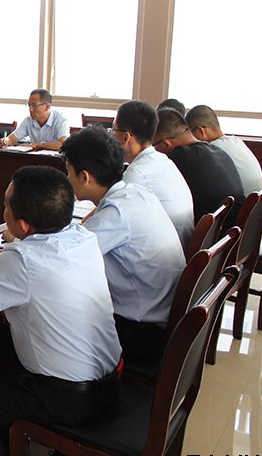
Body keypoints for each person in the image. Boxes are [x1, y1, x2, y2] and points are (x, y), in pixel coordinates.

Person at [0, 166, 121, 456]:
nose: (3, 211)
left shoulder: (22, 260)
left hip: (65, 396)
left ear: (23, 226)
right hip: (108, 381)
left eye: (5, 206)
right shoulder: (82, 237)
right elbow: (39, 265)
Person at [61, 127, 185, 362]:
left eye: (68, 172)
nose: (67, 179)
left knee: (51, 311)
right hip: (162, 313)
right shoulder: (135, 193)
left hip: (142, 332)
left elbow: (64, 259)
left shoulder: (116, 214)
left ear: (84, 177)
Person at [113, 100, 194, 247]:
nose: (111, 137)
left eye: (114, 131)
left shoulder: (137, 174)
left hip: (164, 250)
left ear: (126, 137)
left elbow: (111, 218)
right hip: (177, 246)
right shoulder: (163, 160)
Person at [153, 108, 245, 229]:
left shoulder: (180, 156)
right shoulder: (218, 150)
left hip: (211, 235)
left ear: (165, 144)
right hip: (228, 232)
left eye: (152, 146)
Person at [186, 104, 262, 196]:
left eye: (189, 134)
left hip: (241, 203)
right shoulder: (236, 141)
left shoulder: (213, 150)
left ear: (200, 131)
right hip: (257, 202)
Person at [0, 89, 69, 150]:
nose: (30, 109)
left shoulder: (61, 120)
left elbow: (63, 144)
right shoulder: (28, 120)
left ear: (47, 107)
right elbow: (12, 139)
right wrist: (5, 141)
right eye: (29, 105)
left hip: (55, 159)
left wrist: (41, 145)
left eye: (34, 105)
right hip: (35, 158)